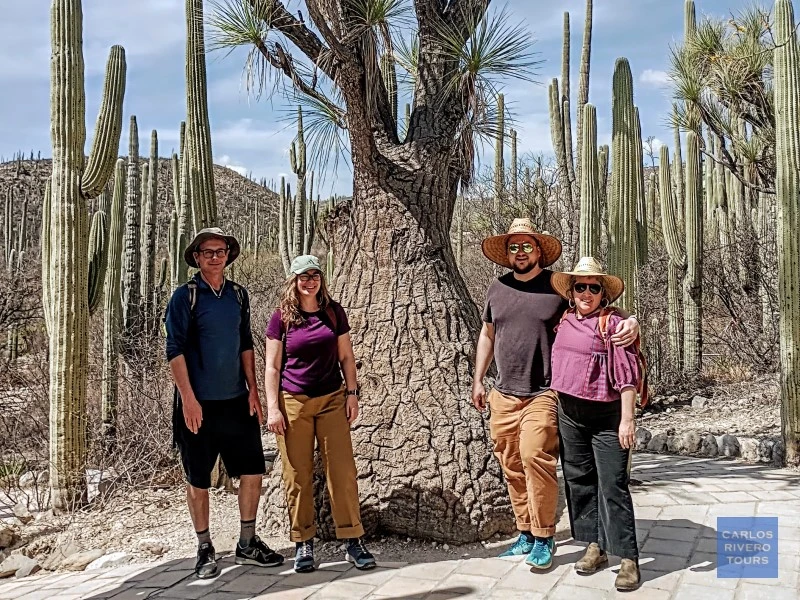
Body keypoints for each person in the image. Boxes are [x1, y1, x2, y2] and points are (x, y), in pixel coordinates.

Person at [471, 219, 639, 570]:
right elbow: (487, 334)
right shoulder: (496, 288)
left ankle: (545, 535)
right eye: (514, 247)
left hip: (544, 391)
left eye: (527, 246)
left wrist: (631, 320)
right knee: (511, 464)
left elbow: (594, 307)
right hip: (503, 391)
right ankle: (526, 532)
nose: (520, 253)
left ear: (538, 250)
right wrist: (478, 380)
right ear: (507, 252)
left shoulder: (556, 289)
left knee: (535, 458)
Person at [165, 227, 284, 579]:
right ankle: (204, 548)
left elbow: (245, 343)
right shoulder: (185, 296)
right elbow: (174, 350)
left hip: (236, 400)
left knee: (252, 471)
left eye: (220, 251)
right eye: (208, 252)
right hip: (197, 404)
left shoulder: (238, 295)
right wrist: (188, 398)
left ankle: (247, 542)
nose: (215, 257)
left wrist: (253, 389)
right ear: (197, 258)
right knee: (198, 478)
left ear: (228, 256)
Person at [264, 254, 376, 574]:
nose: (309, 281)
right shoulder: (281, 318)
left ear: (321, 279)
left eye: (314, 275)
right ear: (293, 281)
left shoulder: (333, 312)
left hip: (331, 399)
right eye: (303, 276)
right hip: (293, 402)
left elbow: (346, 356)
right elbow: (272, 367)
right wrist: (273, 408)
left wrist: (352, 394)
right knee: (297, 475)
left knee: (341, 471)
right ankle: (303, 543)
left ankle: (353, 541)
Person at [550, 257, 641, 591]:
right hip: (570, 414)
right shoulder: (565, 320)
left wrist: (627, 420)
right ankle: (595, 546)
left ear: (603, 293)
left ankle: (628, 558)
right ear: (571, 292)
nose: (586, 292)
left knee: (613, 485)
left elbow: (628, 377)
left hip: (607, 416)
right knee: (580, 481)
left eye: (593, 287)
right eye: (580, 286)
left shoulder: (614, 324)